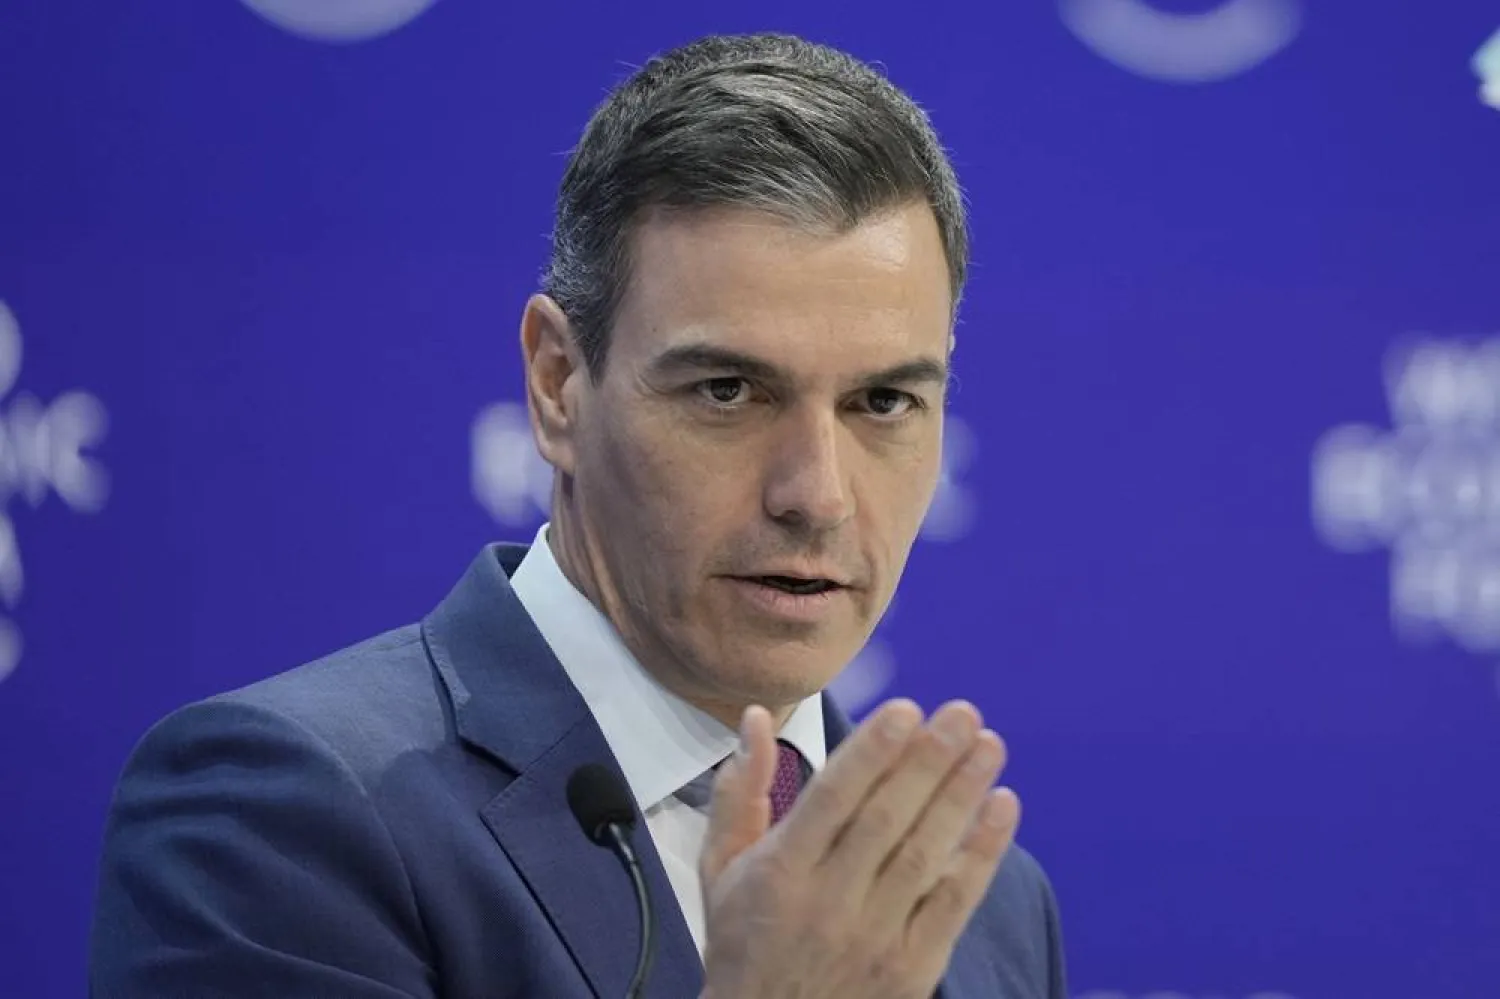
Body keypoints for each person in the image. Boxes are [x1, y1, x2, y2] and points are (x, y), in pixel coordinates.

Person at [89, 32, 1068, 998]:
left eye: (883, 404)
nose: (815, 493)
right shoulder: (287, 814)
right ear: (559, 382)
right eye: (727, 391)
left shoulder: (979, 899)